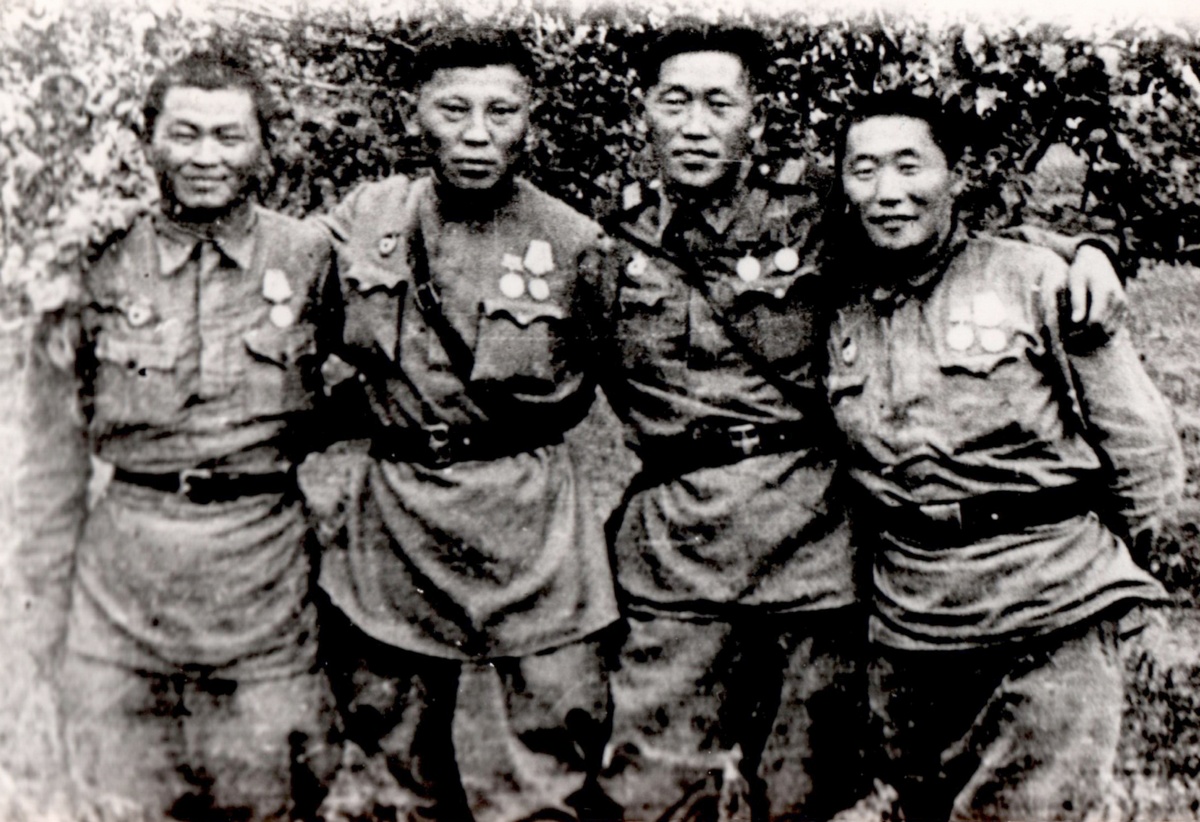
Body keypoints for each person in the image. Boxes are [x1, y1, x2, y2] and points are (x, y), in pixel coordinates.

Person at [584, 25, 1132, 822]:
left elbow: (947, 233)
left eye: (718, 104)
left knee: (807, 790)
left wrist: (1084, 248)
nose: (695, 126)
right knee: (650, 791)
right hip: (678, 550)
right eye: (675, 102)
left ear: (754, 119)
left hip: (809, 546)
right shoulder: (609, 234)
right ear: (645, 112)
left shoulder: (814, 210)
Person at [824, 89, 1182, 822]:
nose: (888, 191)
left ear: (954, 176)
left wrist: (1108, 582)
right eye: (864, 170)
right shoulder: (839, 306)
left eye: (909, 166)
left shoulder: (1033, 279)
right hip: (912, 625)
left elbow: (1143, 449)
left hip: (1048, 609)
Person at [315, 30, 618, 822]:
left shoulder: (574, 243)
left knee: (546, 758)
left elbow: (612, 372)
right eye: (454, 110)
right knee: (391, 756)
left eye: (501, 111)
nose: (478, 134)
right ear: (412, 114)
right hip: (398, 520)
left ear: (531, 120)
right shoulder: (366, 219)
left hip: (529, 524)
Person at [49, 50, 341, 820]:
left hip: (262, 588)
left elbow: (364, 396)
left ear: (263, 147)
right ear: (148, 140)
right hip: (123, 593)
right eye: (184, 133)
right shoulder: (99, 261)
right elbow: (48, 460)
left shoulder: (307, 258)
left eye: (228, 136)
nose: (206, 157)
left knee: (266, 796)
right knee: (121, 799)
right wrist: (39, 619)